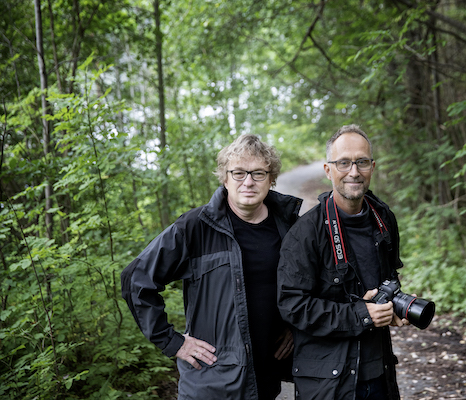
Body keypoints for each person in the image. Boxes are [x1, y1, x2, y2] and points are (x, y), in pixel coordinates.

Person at [121, 134, 302, 399]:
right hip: (211, 382)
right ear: (225, 177)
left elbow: (311, 287)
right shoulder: (195, 227)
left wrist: (296, 327)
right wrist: (172, 341)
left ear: (271, 178)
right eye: (238, 173)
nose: (248, 181)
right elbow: (136, 280)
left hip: (266, 378)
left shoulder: (290, 228)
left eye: (258, 173)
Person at [277, 124, 408, 400]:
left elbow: (390, 276)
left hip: (380, 375)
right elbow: (293, 306)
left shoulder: (383, 218)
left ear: (372, 166)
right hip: (327, 385)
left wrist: (395, 303)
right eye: (344, 163)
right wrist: (362, 314)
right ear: (328, 170)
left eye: (361, 162)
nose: (353, 172)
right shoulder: (305, 233)